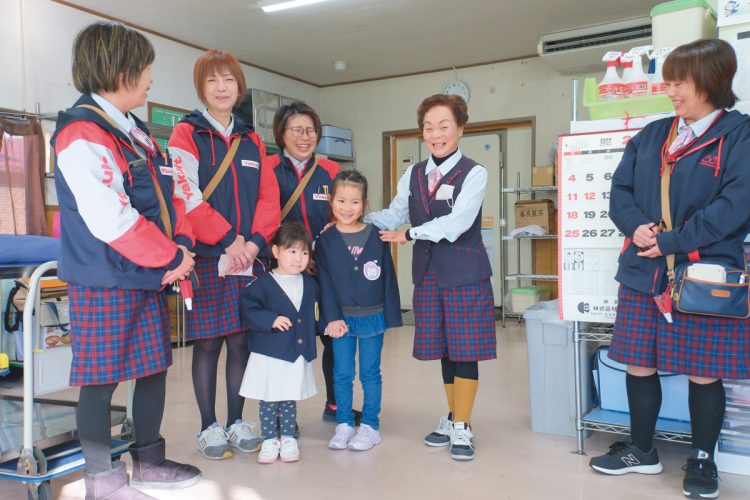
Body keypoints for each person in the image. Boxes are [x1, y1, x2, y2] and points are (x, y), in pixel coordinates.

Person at [588, 39, 750, 499]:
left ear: (712, 81)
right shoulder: (653, 134)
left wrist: (671, 241)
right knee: (638, 361)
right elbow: (619, 190)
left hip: (703, 274)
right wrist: (637, 226)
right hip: (644, 270)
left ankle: (702, 459)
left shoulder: (740, 136)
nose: (671, 90)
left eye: (681, 82)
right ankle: (641, 449)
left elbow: (735, 208)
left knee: (704, 369)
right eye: (670, 81)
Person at [52, 21, 201, 498]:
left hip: (145, 274)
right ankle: (103, 481)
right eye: (145, 67)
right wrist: (171, 255)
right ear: (119, 71)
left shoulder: (133, 131)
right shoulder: (82, 133)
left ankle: (150, 462)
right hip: (106, 278)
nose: (151, 76)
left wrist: (174, 252)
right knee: (100, 381)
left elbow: (163, 197)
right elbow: (109, 218)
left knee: (153, 367)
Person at [365, 94, 496, 461]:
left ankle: (464, 426)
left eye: (444, 126)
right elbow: (394, 215)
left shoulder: (475, 172)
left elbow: (458, 223)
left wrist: (410, 234)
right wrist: (356, 221)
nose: (436, 134)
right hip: (427, 275)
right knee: (444, 349)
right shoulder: (413, 174)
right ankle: (454, 416)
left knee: (465, 350)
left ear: (460, 129)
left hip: (465, 275)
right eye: (428, 127)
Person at [168, 49, 280, 460]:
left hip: (248, 257)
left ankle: (236, 421)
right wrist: (229, 239)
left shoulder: (250, 138)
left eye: (228, 80)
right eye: (212, 80)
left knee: (240, 340)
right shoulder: (185, 134)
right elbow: (186, 194)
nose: (221, 87)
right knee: (208, 342)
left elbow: (269, 198)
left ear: (239, 87)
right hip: (208, 257)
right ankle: (207, 426)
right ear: (201, 88)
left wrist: (252, 243)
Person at [267, 102, 358, 423]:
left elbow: (347, 213)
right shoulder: (268, 169)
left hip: (327, 269)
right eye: (296, 130)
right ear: (282, 133)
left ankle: (336, 404)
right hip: (285, 272)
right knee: (285, 338)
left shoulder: (331, 171)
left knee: (334, 336)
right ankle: (281, 413)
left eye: (310, 130)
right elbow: (263, 220)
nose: (304, 137)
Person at [316, 170, 402, 451]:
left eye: (354, 202)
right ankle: (343, 423)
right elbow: (324, 282)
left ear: (365, 204)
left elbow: (388, 275)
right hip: (341, 318)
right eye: (341, 201)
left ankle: (369, 426)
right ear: (331, 202)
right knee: (341, 373)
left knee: (369, 373)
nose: (347, 208)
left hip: (373, 317)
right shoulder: (326, 241)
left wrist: (391, 315)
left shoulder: (377, 236)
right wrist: (330, 317)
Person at [238, 222, 320, 464]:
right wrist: (271, 319)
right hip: (270, 354)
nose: (298, 258)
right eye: (291, 251)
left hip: (295, 352)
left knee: (288, 395)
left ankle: (287, 437)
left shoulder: (310, 283)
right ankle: (269, 439)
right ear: (275, 252)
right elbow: (249, 309)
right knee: (269, 397)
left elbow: (315, 313)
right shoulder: (262, 283)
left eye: (304, 252)